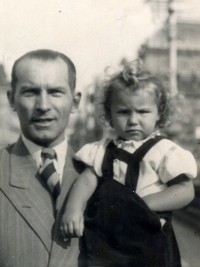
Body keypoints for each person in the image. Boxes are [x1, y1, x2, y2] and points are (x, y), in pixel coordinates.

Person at [61, 61, 197, 267]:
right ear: (110, 115)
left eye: (143, 112)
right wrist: (73, 208)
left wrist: (144, 204)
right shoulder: (102, 150)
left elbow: (185, 190)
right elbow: (87, 179)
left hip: (149, 239)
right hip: (108, 239)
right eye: (123, 112)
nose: (133, 120)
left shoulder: (163, 151)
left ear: (159, 113)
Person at [0, 49, 83, 267]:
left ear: (75, 102)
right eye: (30, 92)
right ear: (12, 100)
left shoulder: (98, 172)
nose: (43, 106)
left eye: (55, 92)